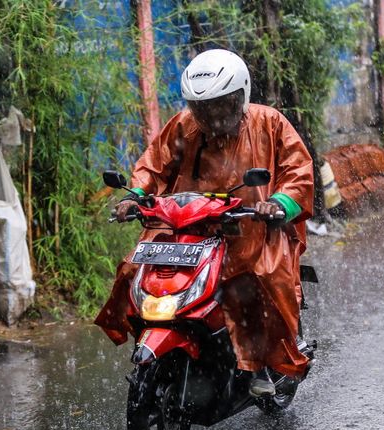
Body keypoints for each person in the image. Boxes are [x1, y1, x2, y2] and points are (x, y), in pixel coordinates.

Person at [94, 49, 314, 397]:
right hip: (188, 221)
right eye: (203, 106)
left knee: (257, 279)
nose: (211, 115)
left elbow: (298, 172)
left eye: (220, 104)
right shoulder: (184, 125)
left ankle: (259, 364)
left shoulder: (269, 123)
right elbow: (154, 164)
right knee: (134, 268)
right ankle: (162, 335)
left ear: (240, 95)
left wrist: (278, 203)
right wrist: (133, 196)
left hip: (249, 224)